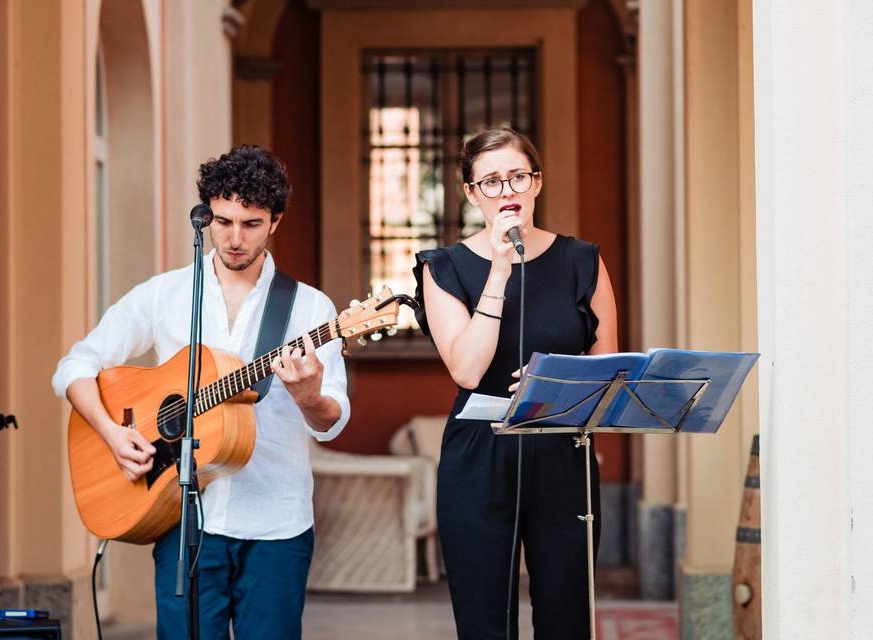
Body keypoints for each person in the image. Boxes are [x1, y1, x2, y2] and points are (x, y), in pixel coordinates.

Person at [52, 145, 350, 640]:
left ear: (275, 221)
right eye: (222, 220)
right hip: (183, 515)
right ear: (205, 213)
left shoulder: (312, 310)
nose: (234, 238)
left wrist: (308, 396)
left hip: (276, 523)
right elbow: (75, 365)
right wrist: (111, 434)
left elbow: (331, 421)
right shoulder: (165, 294)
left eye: (251, 224)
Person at [413, 127, 618, 639]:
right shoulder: (444, 268)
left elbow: (608, 368)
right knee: (485, 623)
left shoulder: (582, 261)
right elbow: (466, 370)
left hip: (562, 451)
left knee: (567, 618)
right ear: (470, 192)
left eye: (517, 177)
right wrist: (501, 270)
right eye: (491, 182)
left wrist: (557, 383)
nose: (506, 191)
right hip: (479, 458)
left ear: (537, 183)